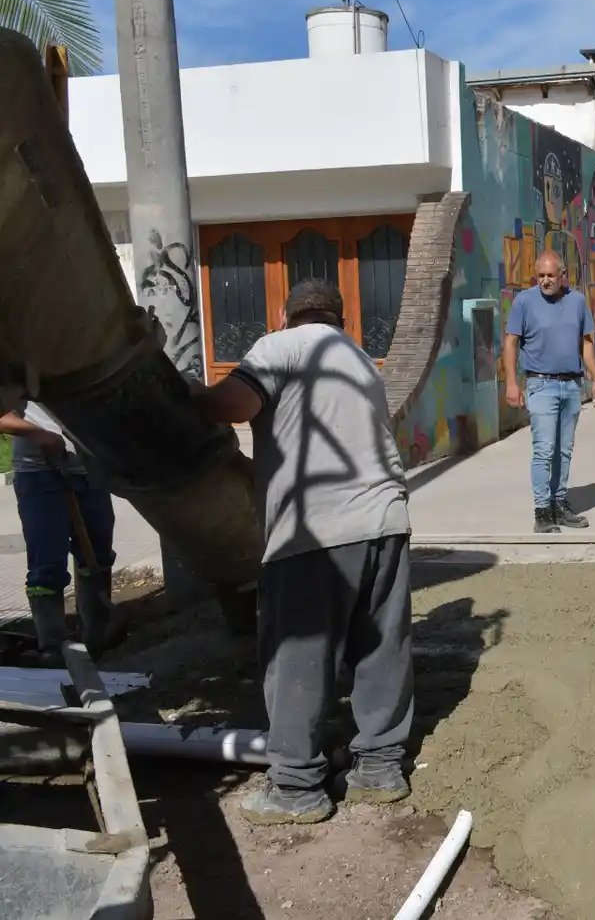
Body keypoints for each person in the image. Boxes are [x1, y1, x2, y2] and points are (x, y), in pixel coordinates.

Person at [191, 279, 414, 826]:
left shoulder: (280, 346)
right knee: (379, 648)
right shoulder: (359, 360)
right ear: (342, 318)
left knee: (299, 655)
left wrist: (182, 390)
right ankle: (379, 768)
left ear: (284, 314)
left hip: (316, 530)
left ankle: (295, 787)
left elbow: (231, 405)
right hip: (385, 521)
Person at [1, 403, 121, 665]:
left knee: (98, 554)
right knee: (47, 564)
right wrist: (37, 433)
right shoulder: (17, 376)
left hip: (91, 470)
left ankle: (96, 637)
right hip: (39, 474)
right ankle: (53, 647)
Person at [504, 251, 595, 533]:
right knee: (544, 450)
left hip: (571, 385)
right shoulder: (524, 302)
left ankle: (559, 505)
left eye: (551, 275)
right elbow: (511, 342)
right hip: (540, 385)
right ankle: (542, 512)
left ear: (563, 275)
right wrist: (512, 383)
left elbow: (586, 343)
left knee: (564, 450)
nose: (545, 281)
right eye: (541, 276)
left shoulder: (577, 301)